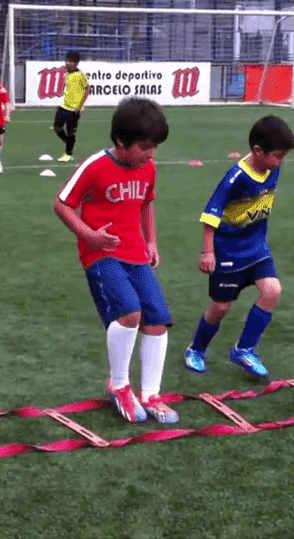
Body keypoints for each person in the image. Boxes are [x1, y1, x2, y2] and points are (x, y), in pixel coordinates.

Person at [53, 97, 177, 424]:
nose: (151, 154)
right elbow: (62, 204)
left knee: (157, 319)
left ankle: (151, 394)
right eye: (144, 147)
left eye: (155, 147)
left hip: (136, 252)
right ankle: (119, 385)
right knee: (130, 312)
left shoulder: (147, 168)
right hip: (101, 253)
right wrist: (89, 235)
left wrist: (151, 241)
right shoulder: (96, 166)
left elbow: (147, 202)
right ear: (121, 141)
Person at [183, 116, 294, 380]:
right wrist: (207, 252)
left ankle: (244, 349)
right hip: (228, 252)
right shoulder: (235, 178)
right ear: (258, 151)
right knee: (220, 308)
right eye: (278, 155)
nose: (281, 161)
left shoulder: (271, 167)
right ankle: (196, 349)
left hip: (256, 247)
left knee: (272, 291)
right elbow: (211, 214)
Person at [54, 51, 91, 162]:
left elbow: (87, 90)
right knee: (57, 127)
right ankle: (69, 143)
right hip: (64, 106)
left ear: (76, 63)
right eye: (67, 60)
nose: (68, 63)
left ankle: (68, 154)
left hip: (74, 109)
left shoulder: (80, 75)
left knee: (70, 132)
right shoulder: (67, 74)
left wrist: (80, 107)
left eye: (70, 61)